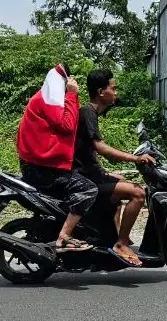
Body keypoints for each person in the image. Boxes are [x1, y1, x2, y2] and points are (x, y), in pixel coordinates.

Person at [72, 69, 157, 267]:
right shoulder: (87, 113)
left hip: (90, 174)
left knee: (120, 181)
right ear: (101, 92)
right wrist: (135, 158)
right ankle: (121, 243)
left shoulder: (90, 113)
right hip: (85, 178)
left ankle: (112, 240)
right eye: (113, 88)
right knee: (138, 193)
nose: (115, 93)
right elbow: (101, 148)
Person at [17, 63, 98, 252]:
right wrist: (72, 94)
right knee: (88, 189)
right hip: (43, 169)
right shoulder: (49, 98)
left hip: (41, 165)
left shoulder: (44, 97)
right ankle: (65, 236)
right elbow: (67, 125)